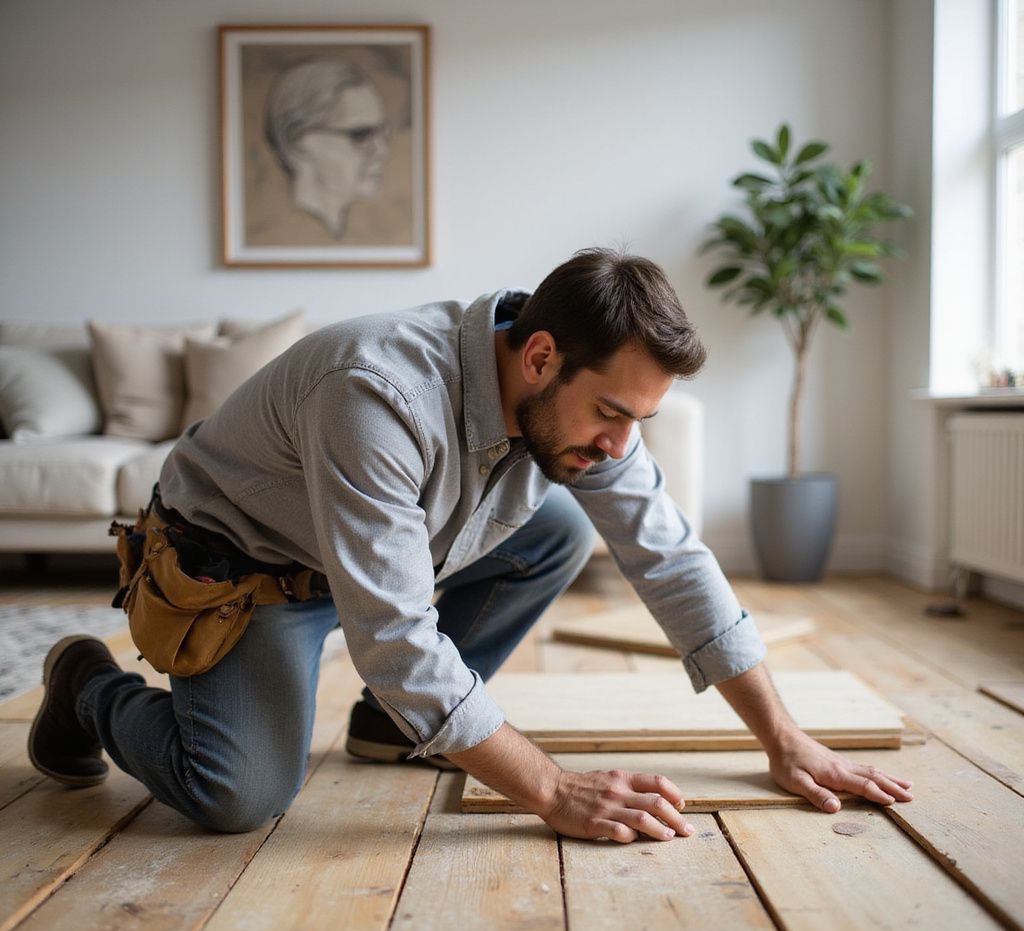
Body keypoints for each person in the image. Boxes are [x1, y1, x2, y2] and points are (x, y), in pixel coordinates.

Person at [28, 249, 913, 842]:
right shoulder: (372, 392)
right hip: (248, 567)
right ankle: (84, 687)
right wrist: (548, 788)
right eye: (611, 413)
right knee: (236, 798)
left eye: (637, 422)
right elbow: (397, 640)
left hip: (381, 555)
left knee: (562, 523)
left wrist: (783, 738)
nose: (619, 443)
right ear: (538, 357)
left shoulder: (582, 409)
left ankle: (393, 729)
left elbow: (669, 557)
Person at [263, 58, 391, 238]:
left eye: (383, 133)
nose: (382, 152)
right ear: (297, 143)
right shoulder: (274, 236)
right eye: (360, 135)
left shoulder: (372, 234)